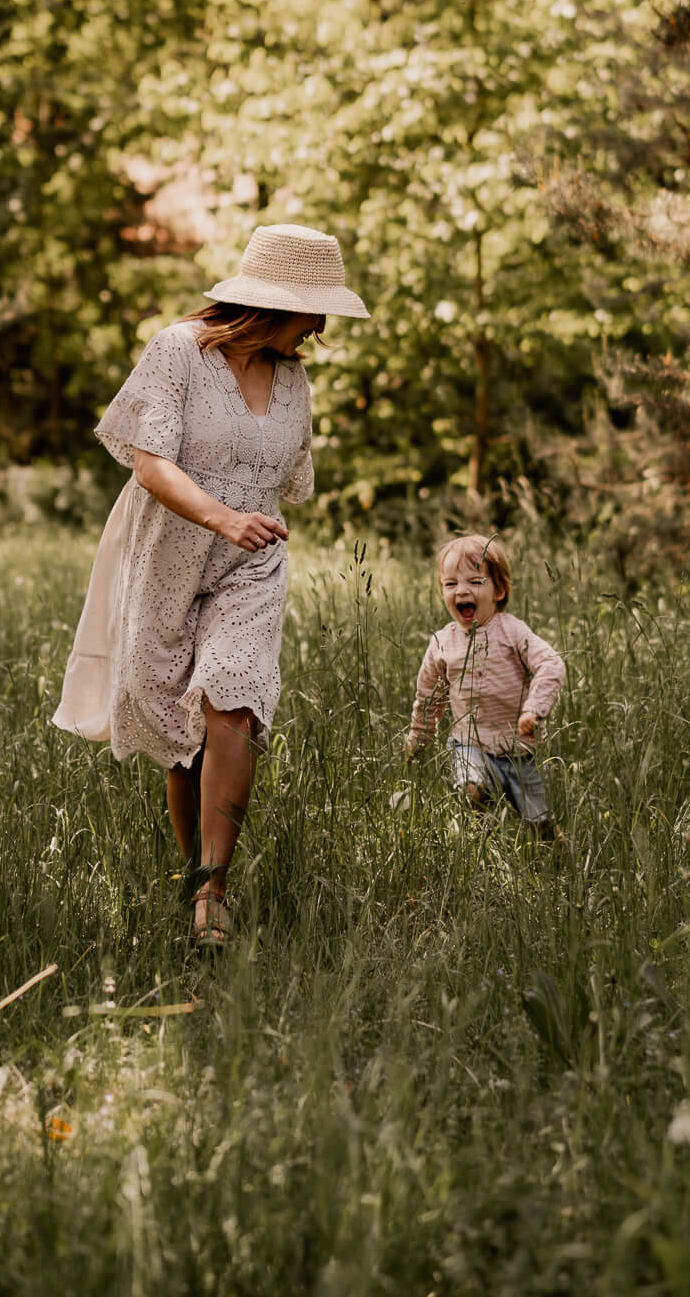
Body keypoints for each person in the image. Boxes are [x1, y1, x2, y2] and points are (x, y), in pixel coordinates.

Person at [53, 224, 371, 947]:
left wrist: (240, 527)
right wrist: (222, 517)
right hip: (168, 549)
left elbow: (284, 483)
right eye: (310, 311)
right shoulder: (178, 352)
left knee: (234, 698)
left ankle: (213, 896)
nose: (319, 328)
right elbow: (149, 464)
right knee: (182, 735)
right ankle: (196, 876)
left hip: (251, 562)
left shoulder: (294, 379)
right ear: (269, 305)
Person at [404, 534, 566, 837]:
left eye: (475, 582)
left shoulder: (513, 632)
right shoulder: (442, 643)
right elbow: (428, 698)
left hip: (518, 750)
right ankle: (482, 839)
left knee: (538, 823)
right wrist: (418, 738)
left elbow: (551, 664)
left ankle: (556, 854)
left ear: (499, 590)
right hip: (469, 743)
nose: (461, 590)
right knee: (472, 789)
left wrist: (534, 710)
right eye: (450, 584)